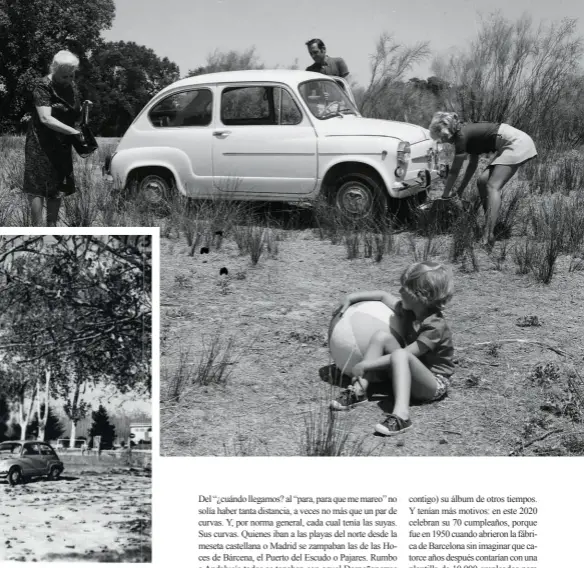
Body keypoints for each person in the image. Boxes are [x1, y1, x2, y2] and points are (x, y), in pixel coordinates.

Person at [329, 261, 455, 436]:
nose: (400, 292)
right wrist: (351, 297)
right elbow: (382, 295)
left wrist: (366, 365)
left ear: (420, 297)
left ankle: (402, 416)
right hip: (411, 374)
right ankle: (359, 390)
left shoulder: (435, 327)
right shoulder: (410, 312)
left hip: (433, 384)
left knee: (400, 355)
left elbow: (404, 355)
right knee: (382, 337)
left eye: (405, 289)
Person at [428, 112, 537, 248]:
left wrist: (445, 196)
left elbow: (454, 172)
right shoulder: (466, 133)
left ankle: (488, 235)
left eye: (441, 138)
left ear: (445, 133)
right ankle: (490, 222)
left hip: (516, 143)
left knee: (492, 186)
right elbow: (472, 165)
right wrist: (460, 190)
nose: (442, 141)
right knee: (482, 182)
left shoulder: (461, 137)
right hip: (512, 143)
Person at [23, 50, 84, 226]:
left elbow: (75, 115)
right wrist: (73, 132)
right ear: (54, 69)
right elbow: (45, 118)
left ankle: (51, 229)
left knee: (58, 188)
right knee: (38, 187)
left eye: (72, 75)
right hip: (40, 144)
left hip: (62, 143)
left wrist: (84, 112)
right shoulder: (42, 86)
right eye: (65, 76)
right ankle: (37, 230)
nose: (69, 80)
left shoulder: (71, 87)